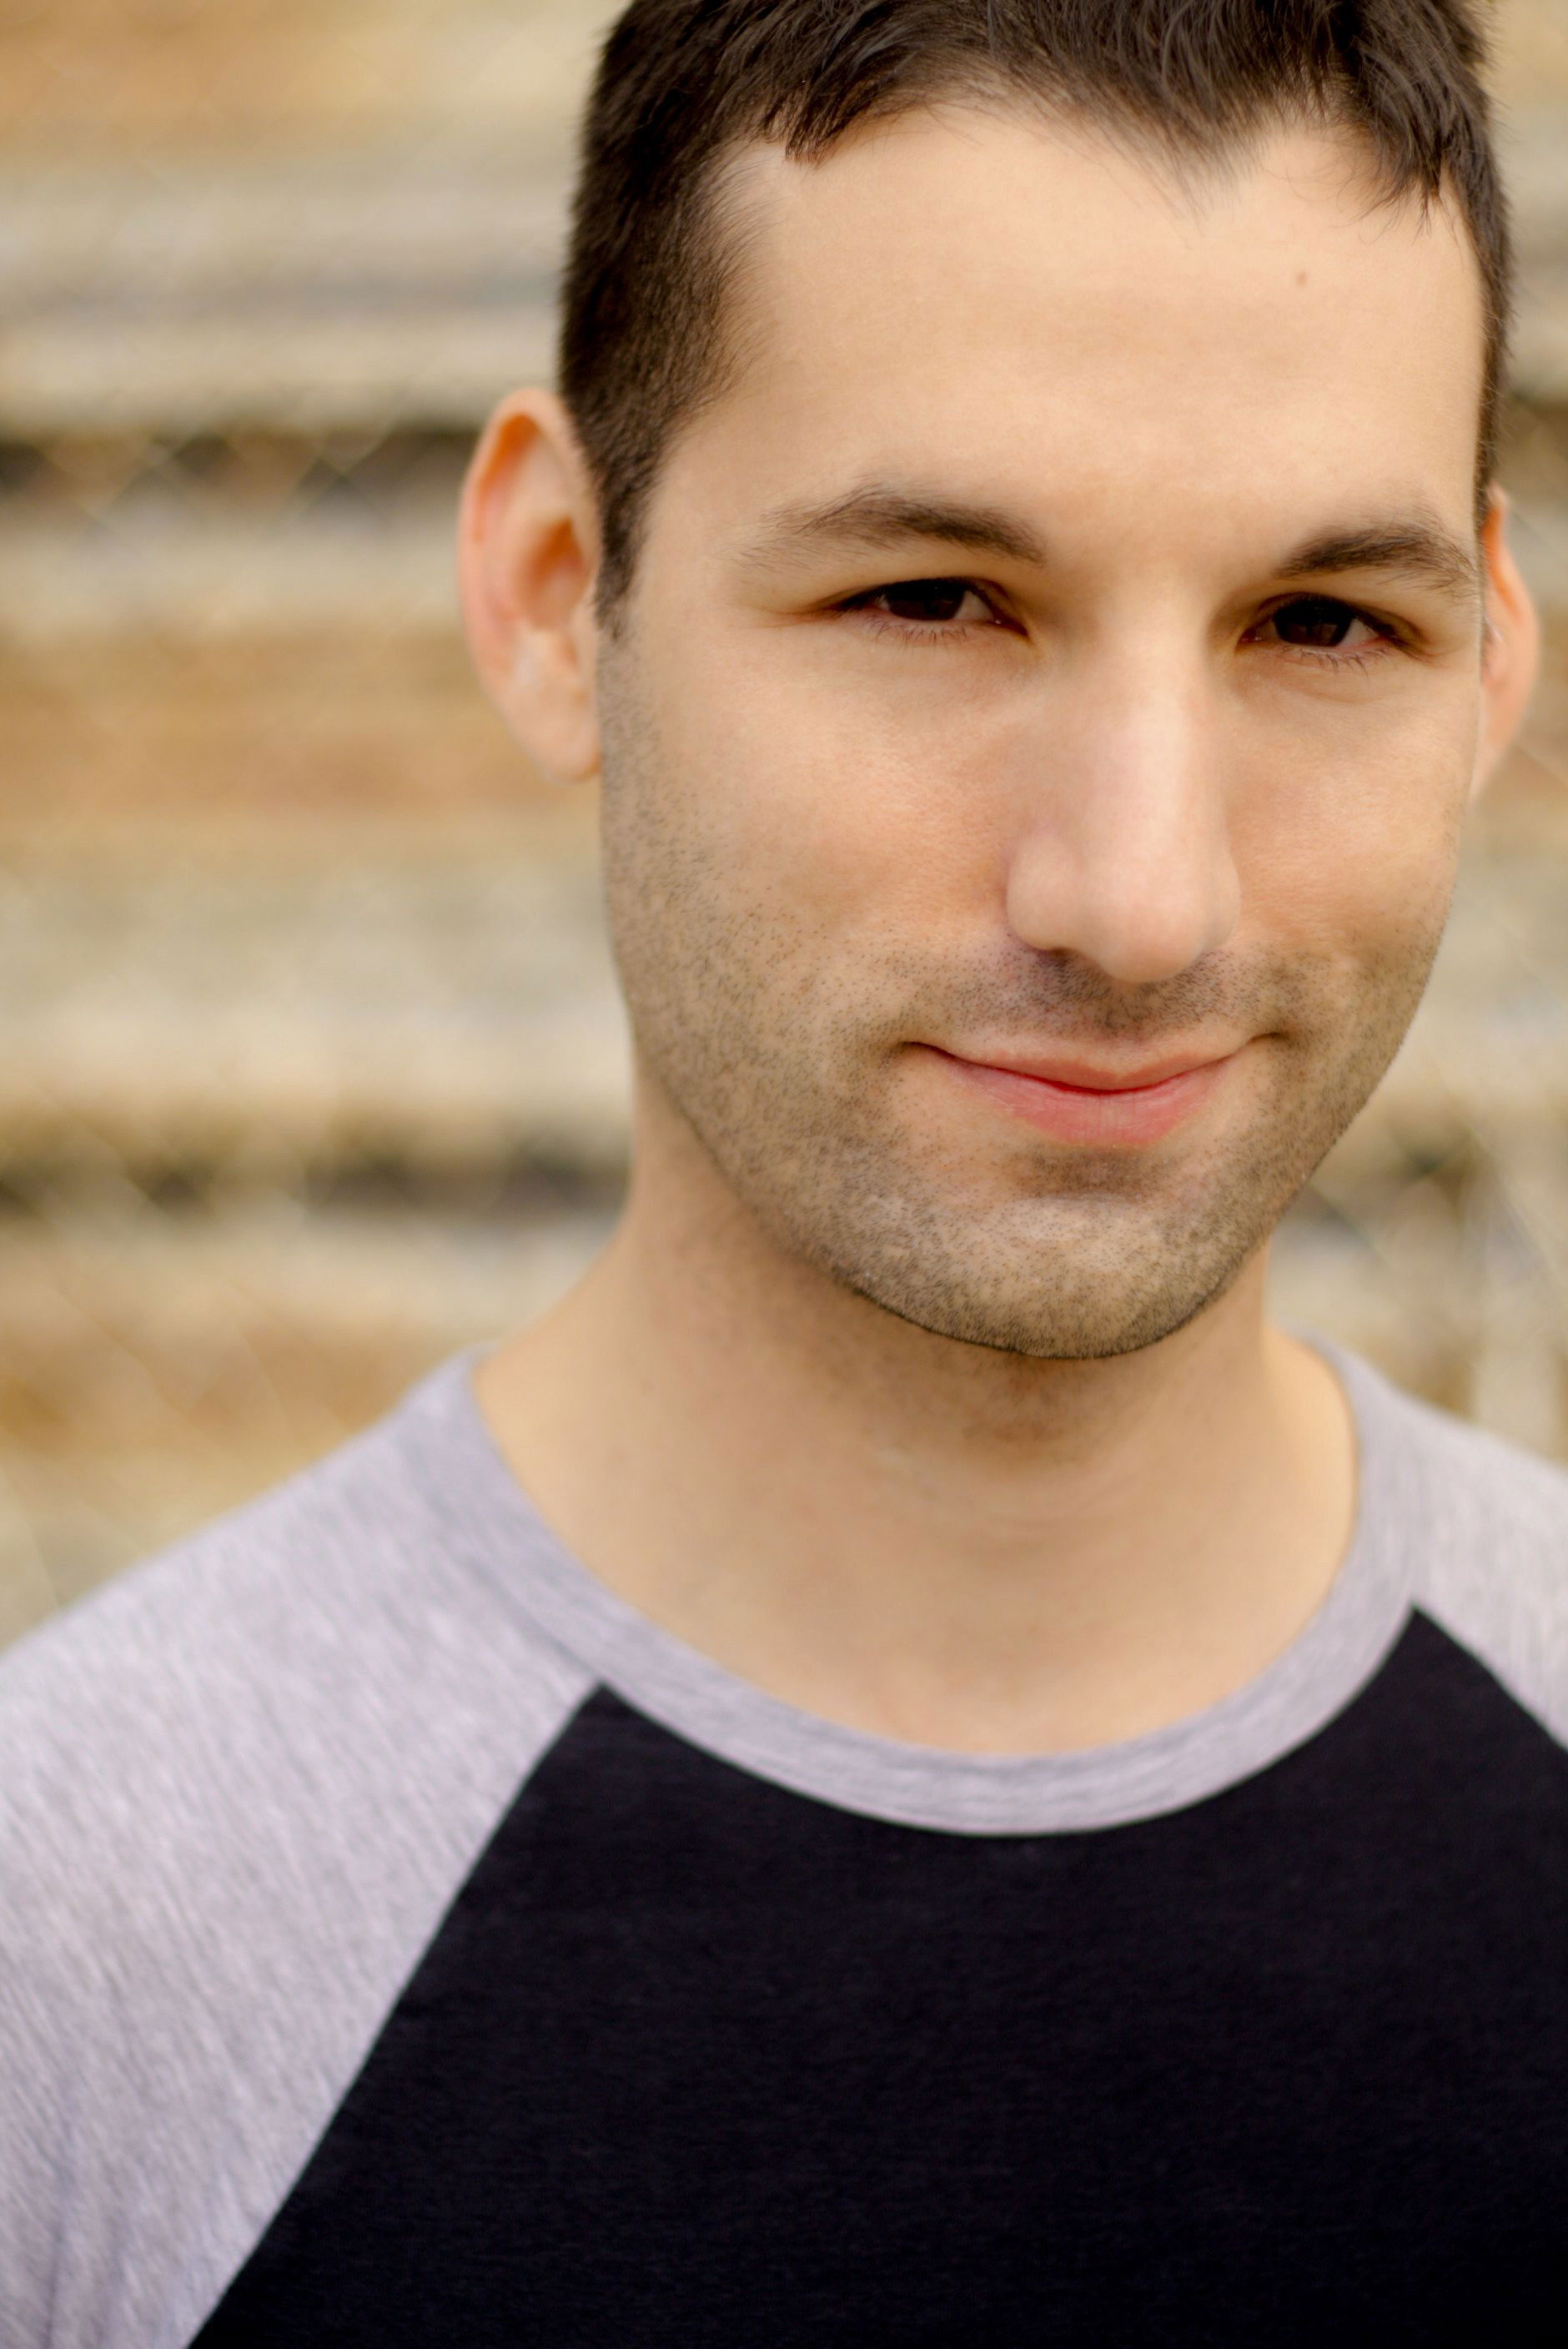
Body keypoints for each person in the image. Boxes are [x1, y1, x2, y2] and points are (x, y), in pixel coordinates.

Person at [2, 1, 1563, 2341]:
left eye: (1324, 624)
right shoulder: (74, 1955)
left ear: (1493, 666)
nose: (1141, 900)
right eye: (932, 599)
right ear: (559, 590)